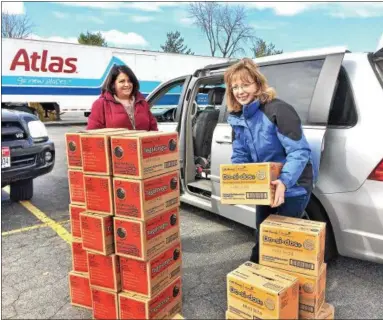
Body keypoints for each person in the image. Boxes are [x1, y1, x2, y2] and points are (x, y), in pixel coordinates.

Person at [224, 58, 315, 263]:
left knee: (283, 243)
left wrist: (284, 181)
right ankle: (263, 286)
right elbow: (240, 155)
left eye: (245, 84)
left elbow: (299, 151)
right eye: (235, 87)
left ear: (257, 83)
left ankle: (287, 287)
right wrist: (236, 186)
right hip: (265, 185)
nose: (240, 91)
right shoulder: (238, 117)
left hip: (293, 185)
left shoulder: (278, 110)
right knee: (263, 235)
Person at [87, 64, 158, 131]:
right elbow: (92, 134)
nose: (127, 85)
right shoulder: (101, 104)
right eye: (122, 81)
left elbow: (153, 130)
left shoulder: (142, 102)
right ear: (113, 84)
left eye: (130, 81)